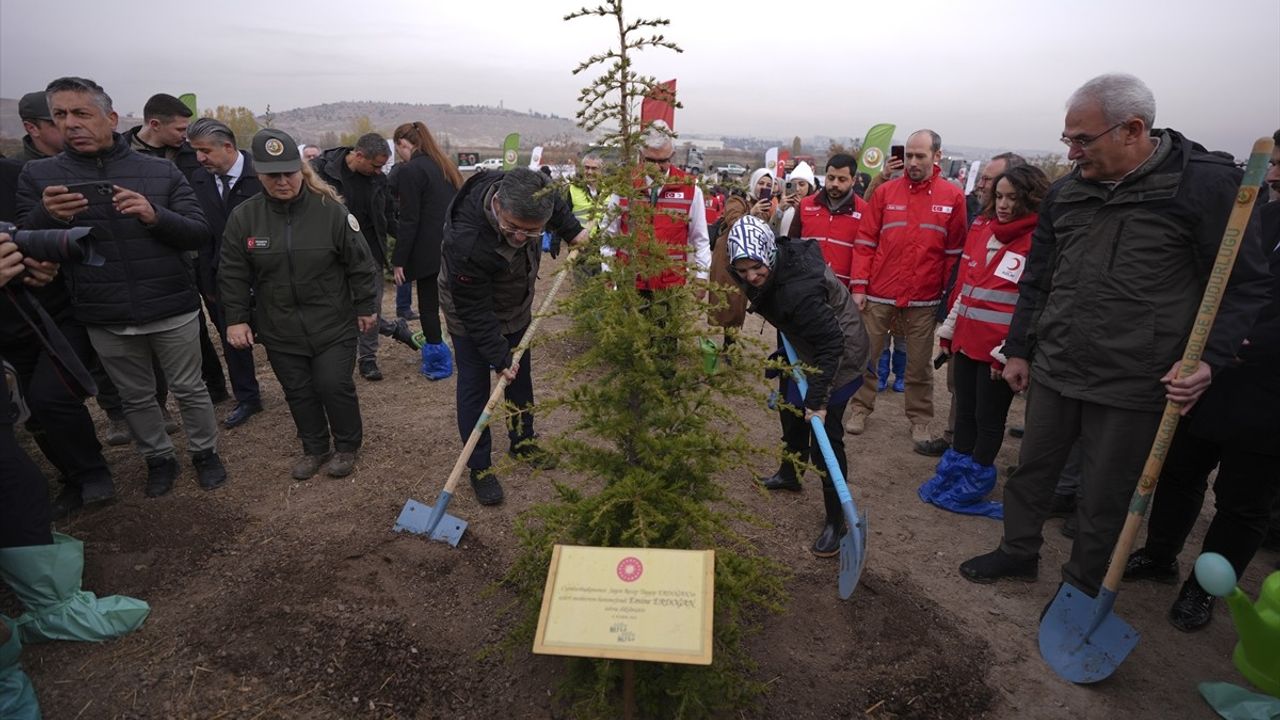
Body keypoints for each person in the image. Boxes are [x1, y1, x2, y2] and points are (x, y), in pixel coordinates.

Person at [958, 74, 1272, 598]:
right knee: (1032, 471)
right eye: (1067, 140)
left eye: (1083, 140)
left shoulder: (1205, 187)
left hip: (1135, 378)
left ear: (1132, 129)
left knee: (1105, 494)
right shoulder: (1067, 192)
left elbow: (1243, 286)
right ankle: (1017, 552)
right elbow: (1038, 279)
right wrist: (1019, 348)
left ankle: (1082, 585)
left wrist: (1209, 360)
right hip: (1057, 364)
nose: (1073, 152)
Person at [17, 76, 228, 497]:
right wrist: (48, 217)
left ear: (110, 118)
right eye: (60, 115)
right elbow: (23, 242)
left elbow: (198, 232)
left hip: (170, 304)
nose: (71, 123)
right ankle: (159, 458)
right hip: (103, 311)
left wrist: (154, 215)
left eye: (81, 113)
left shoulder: (159, 170)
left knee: (189, 388)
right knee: (135, 396)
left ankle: (206, 453)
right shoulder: (40, 177)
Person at [1120, 130, 1280, 629]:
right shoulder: (1261, 214)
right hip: (1209, 375)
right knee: (1180, 469)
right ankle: (1161, 555)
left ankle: (1206, 587)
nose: (1275, 168)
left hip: (1268, 390)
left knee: (1244, 499)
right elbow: (1231, 280)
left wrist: (1248, 343)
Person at [220, 129, 377, 480]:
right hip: (279, 327)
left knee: (334, 384)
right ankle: (315, 447)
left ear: (301, 169)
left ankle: (347, 446)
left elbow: (360, 263)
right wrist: (236, 319)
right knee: (299, 391)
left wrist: (366, 306)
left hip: (331, 323)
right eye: (272, 175)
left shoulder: (330, 212)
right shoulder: (244, 218)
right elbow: (232, 274)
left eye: (288, 173)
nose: (281, 182)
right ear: (259, 174)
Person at [439, 168, 587, 506]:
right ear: (497, 205)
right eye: (512, 228)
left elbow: (559, 206)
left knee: (520, 381)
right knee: (476, 387)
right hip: (469, 313)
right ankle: (479, 466)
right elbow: (474, 310)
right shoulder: (467, 238)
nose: (520, 237)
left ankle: (523, 441)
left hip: (516, 302)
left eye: (532, 231)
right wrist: (499, 355)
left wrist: (573, 232)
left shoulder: (539, 192)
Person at [727, 215, 869, 556]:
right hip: (803, 343)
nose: (750, 277)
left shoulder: (799, 290)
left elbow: (832, 343)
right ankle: (789, 473)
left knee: (825, 437)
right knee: (790, 412)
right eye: (742, 270)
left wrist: (819, 399)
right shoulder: (769, 264)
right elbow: (780, 307)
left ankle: (837, 520)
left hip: (839, 353)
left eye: (756, 268)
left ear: (769, 255)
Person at [923, 165, 1050, 515]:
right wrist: (949, 331)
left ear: (1030, 199)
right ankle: (956, 470)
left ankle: (975, 479)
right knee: (964, 412)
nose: (1004, 205)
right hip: (966, 342)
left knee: (988, 419)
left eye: (1012, 197)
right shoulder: (988, 231)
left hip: (998, 353)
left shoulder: (1038, 241)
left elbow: (1030, 304)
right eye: (999, 196)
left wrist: (1010, 351)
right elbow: (970, 287)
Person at [848, 130, 968, 456]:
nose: (913, 162)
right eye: (910, 156)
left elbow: (954, 253)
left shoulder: (952, 197)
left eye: (920, 156)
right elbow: (865, 242)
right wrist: (859, 286)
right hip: (879, 293)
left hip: (924, 298)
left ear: (937, 157)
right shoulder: (885, 193)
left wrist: (945, 297)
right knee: (868, 355)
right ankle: (861, 407)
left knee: (918, 365)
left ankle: (920, 418)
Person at [124, 92, 227, 404]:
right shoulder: (122, 156)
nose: (186, 137)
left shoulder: (187, 155)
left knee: (208, 320)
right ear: (154, 124)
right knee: (166, 328)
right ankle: (160, 398)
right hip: (154, 257)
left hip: (198, 248)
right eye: (181, 131)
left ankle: (217, 388)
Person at [185, 118, 264, 428]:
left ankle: (299, 389)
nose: (199, 158)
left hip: (264, 276)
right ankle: (248, 397)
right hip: (219, 278)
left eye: (205, 151)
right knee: (234, 340)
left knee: (281, 335)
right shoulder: (197, 180)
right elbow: (201, 235)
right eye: (196, 151)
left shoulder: (260, 176)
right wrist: (207, 282)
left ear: (228, 147)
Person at [312, 133, 397, 381]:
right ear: (359, 155)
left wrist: (406, 243)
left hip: (370, 252)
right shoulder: (321, 171)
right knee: (336, 307)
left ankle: (368, 358)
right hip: (332, 255)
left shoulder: (378, 180)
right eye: (375, 165)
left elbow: (389, 215)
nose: (379, 171)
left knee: (371, 305)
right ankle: (336, 356)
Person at [390, 120, 463, 380]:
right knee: (463, 303)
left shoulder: (411, 171)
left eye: (400, 148)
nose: (400, 153)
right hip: (455, 247)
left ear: (404, 144)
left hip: (428, 251)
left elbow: (410, 219)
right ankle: (478, 352)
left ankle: (438, 362)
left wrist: (399, 259)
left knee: (429, 307)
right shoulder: (447, 167)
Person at [13, 92, 64, 164]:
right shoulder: (14, 170)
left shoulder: (83, 159)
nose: (69, 126)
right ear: (32, 129)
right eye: (57, 123)